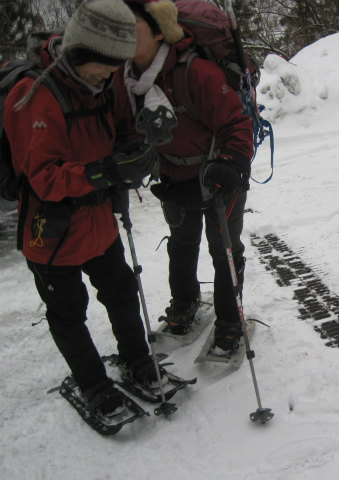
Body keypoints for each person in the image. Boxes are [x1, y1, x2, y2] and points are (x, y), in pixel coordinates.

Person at [5, 0, 162, 417]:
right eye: (104, 66)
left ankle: (137, 359)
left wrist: (135, 149)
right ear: (79, 50)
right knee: (69, 311)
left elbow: (122, 128)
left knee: (122, 291)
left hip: (98, 221)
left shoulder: (105, 83)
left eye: (115, 67)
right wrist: (106, 170)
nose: (110, 76)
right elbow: (43, 177)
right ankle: (94, 385)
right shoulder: (33, 96)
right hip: (50, 232)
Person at [121, 1, 254, 353]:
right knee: (181, 244)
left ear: (160, 31)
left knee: (224, 248)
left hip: (218, 176)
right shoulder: (127, 81)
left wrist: (232, 162)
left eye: (133, 26)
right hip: (173, 179)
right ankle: (184, 302)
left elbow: (237, 125)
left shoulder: (194, 72)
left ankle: (229, 318)